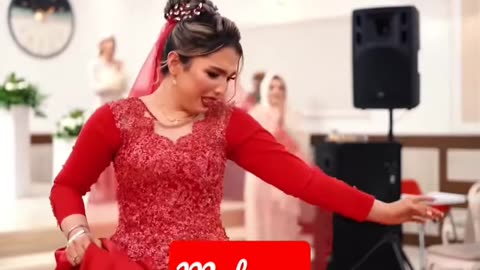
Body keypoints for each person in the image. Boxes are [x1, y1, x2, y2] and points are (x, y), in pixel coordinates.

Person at [50, 1, 442, 269]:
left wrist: (382, 209)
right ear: (175, 63)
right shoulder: (114, 119)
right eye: (213, 74)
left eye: (231, 77)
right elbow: (67, 186)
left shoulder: (228, 122)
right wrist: (78, 230)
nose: (223, 89)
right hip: (131, 262)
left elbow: (303, 179)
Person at [244, 73, 309, 240]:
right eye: (272, 87)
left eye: (281, 87)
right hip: (260, 180)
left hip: (285, 181)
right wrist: (276, 122)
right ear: (265, 90)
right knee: (262, 228)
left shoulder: (294, 117)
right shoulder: (255, 114)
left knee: (283, 228)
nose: (276, 91)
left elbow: (301, 150)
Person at [87, 34, 128, 204]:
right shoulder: (94, 65)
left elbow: (124, 86)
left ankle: (117, 188)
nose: (111, 49)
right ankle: (101, 189)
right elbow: (96, 87)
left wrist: (118, 82)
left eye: (113, 46)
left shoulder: (120, 65)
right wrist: (113, 84)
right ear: (102, 46)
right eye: (108, 46)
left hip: (118, 108)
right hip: (101, 108)